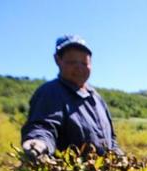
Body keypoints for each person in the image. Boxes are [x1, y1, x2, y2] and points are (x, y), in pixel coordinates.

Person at [21, 35, 123, 163]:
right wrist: (39, 143)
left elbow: (111, 139)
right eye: (72, 62)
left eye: (84, 63)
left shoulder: (96, 98)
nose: (79, 68)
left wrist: (119, 158)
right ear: (57, 60)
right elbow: (43, 127)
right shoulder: (50, 92)